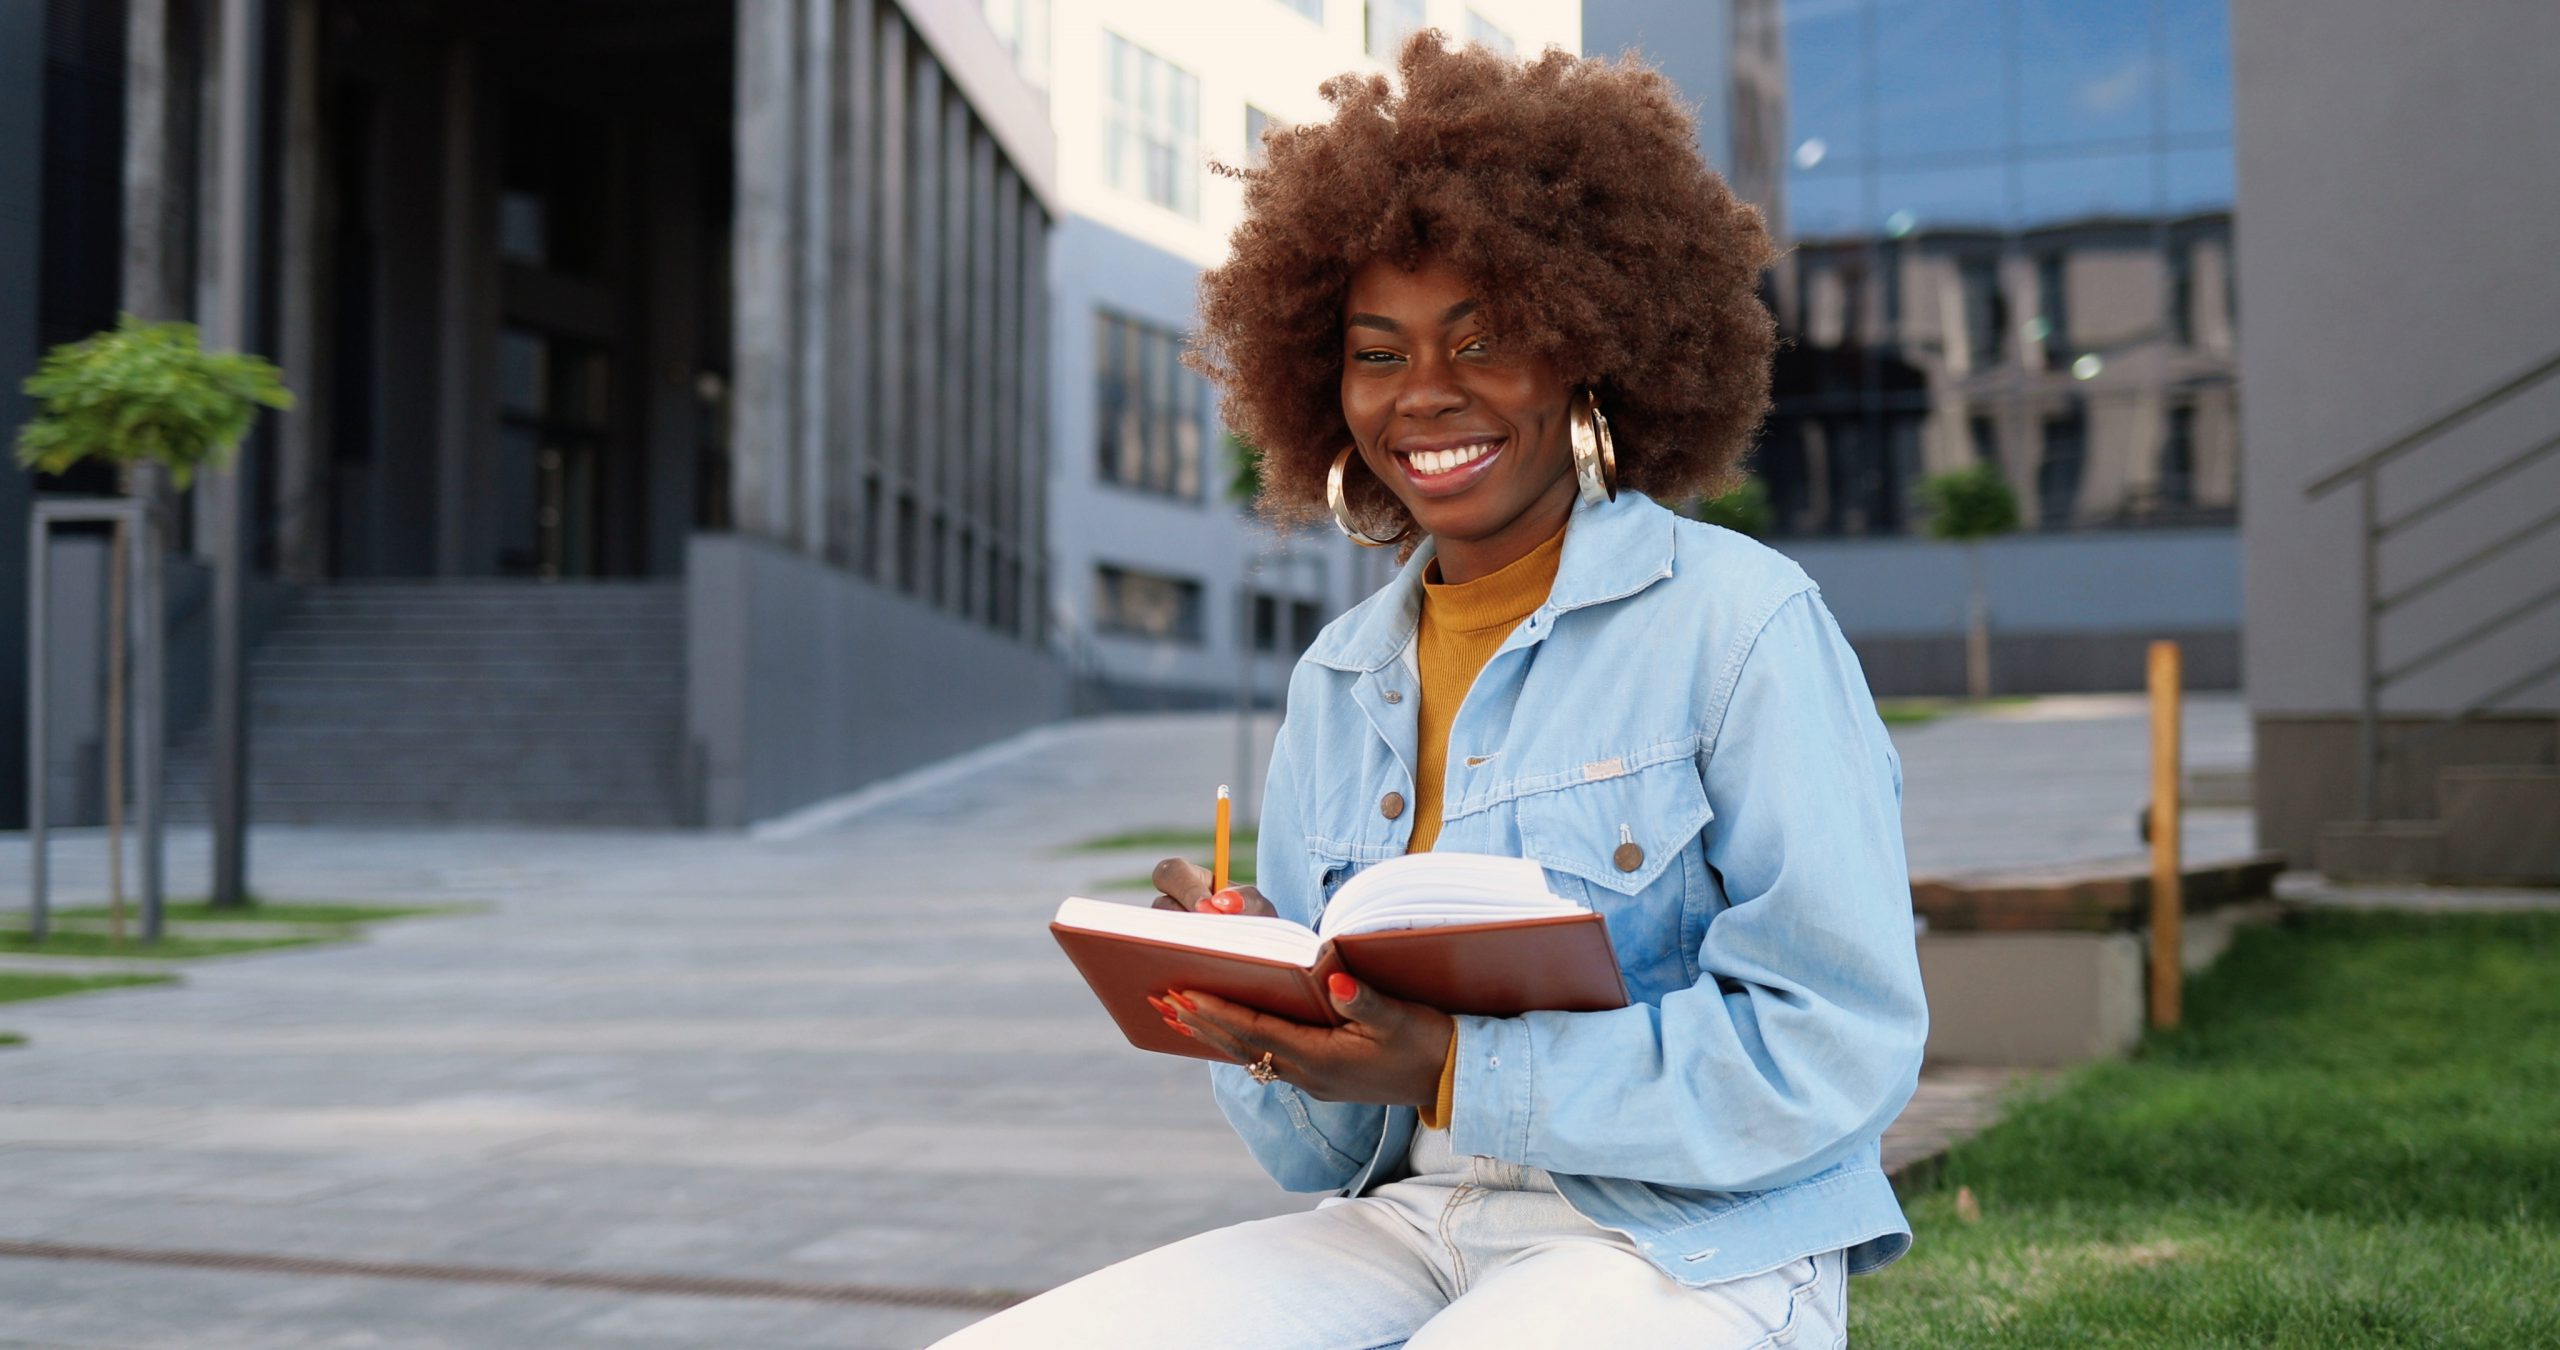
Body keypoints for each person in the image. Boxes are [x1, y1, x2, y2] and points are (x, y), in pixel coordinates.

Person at [938, 33, 1926, 1350]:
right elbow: (1323, 1154)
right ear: (1322, 383)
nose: (1427, 396)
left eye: (1484, 337)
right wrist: (1264, 1015)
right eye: (1378, 351)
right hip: (1413, 1221)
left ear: (1588, 345)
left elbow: (1837, 1049)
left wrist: (1461, 1066)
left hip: (1696, 1236)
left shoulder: (1739, 623)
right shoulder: (1339, 682)